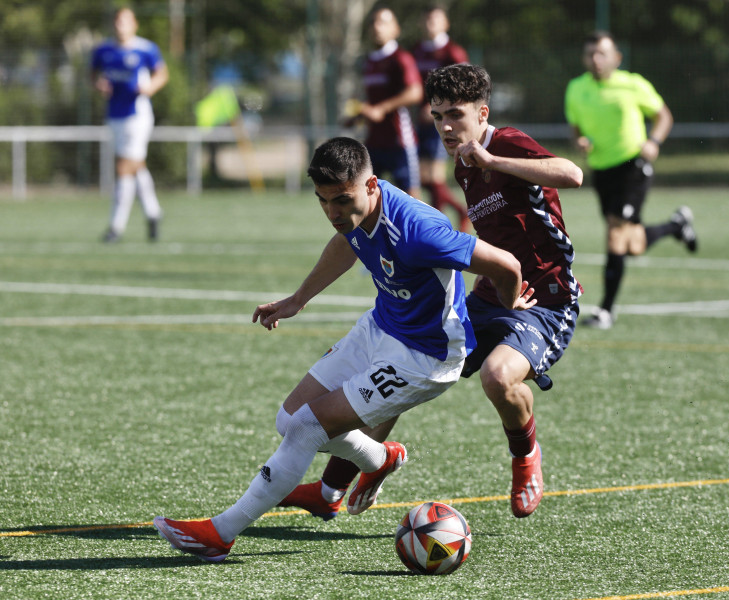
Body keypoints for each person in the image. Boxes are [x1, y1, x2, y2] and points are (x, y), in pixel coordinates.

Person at [153, 136, 533, 562]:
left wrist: (508, 302)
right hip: (379, 326)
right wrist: (298, 299)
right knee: (288, 418)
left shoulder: (419, 231)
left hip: (425, 356)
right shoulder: (355, 214)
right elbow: (346, 245)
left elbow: (508, 265)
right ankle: (380, 458)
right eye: (323, 201)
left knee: (306, 428)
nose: (333, 212)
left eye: (342, 200)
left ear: (371, 186)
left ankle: (220, 534)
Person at [280, 64, 583, 520]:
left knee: (498, 378)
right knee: (399, 365)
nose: (445, 126)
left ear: (482, 114)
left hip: (545, 300)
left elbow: (572, 173)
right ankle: (328, 492)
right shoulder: (462, 162)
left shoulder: (503, 144)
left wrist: (494, 161)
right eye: (437, 115)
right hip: (492, 291)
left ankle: (525, 457)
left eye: (455, 115)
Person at [565, 31, 697, 329]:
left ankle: (605, 311)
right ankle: (677, 225)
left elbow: (664, 116)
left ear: (616, 58)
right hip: (602, 170)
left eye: (602, 53)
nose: (596, 60)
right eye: (590, 54)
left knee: (615, 234)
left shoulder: (633, 84)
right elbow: (575, 128)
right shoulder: (575, 88)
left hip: (632, 166)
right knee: (631, 243)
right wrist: (580, 141)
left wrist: (654, 141)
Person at [91, 7, 168, 243]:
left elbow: (162, 75)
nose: (120, 26)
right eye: (117, 21)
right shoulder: (103, 50)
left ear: (134, 24)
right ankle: (153, 212)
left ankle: (116, 227)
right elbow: (92, 75)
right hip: (114, 114)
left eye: (125, 21)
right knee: (136, 166)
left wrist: (150, 87)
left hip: (138, 115)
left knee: (124, 167)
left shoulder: (146, 49)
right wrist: (98, 84)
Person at [349, 7, 423, 199]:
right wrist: (357, 116)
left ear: (395, 29)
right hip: (374, 141)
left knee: (411, 198)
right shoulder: (369, 62)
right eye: (373, 22)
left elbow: (415, 92)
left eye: (383, 22)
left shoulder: (401, 58)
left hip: (399, 141)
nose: (376, 27)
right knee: (366, 195)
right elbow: (372, 101)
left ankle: (422, 230)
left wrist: (381, 109)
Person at [412, 6, 470, 231]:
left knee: (434, 176)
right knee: (425, 178)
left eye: (435, 20)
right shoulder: (416, 51)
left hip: (444, 123)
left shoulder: (452, 52)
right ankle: (458, 210)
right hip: (422, 124)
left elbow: (465, 86)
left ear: (445, 24)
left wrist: (438, 107)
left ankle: (437, 231)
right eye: (426, 20)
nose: (430, 25)